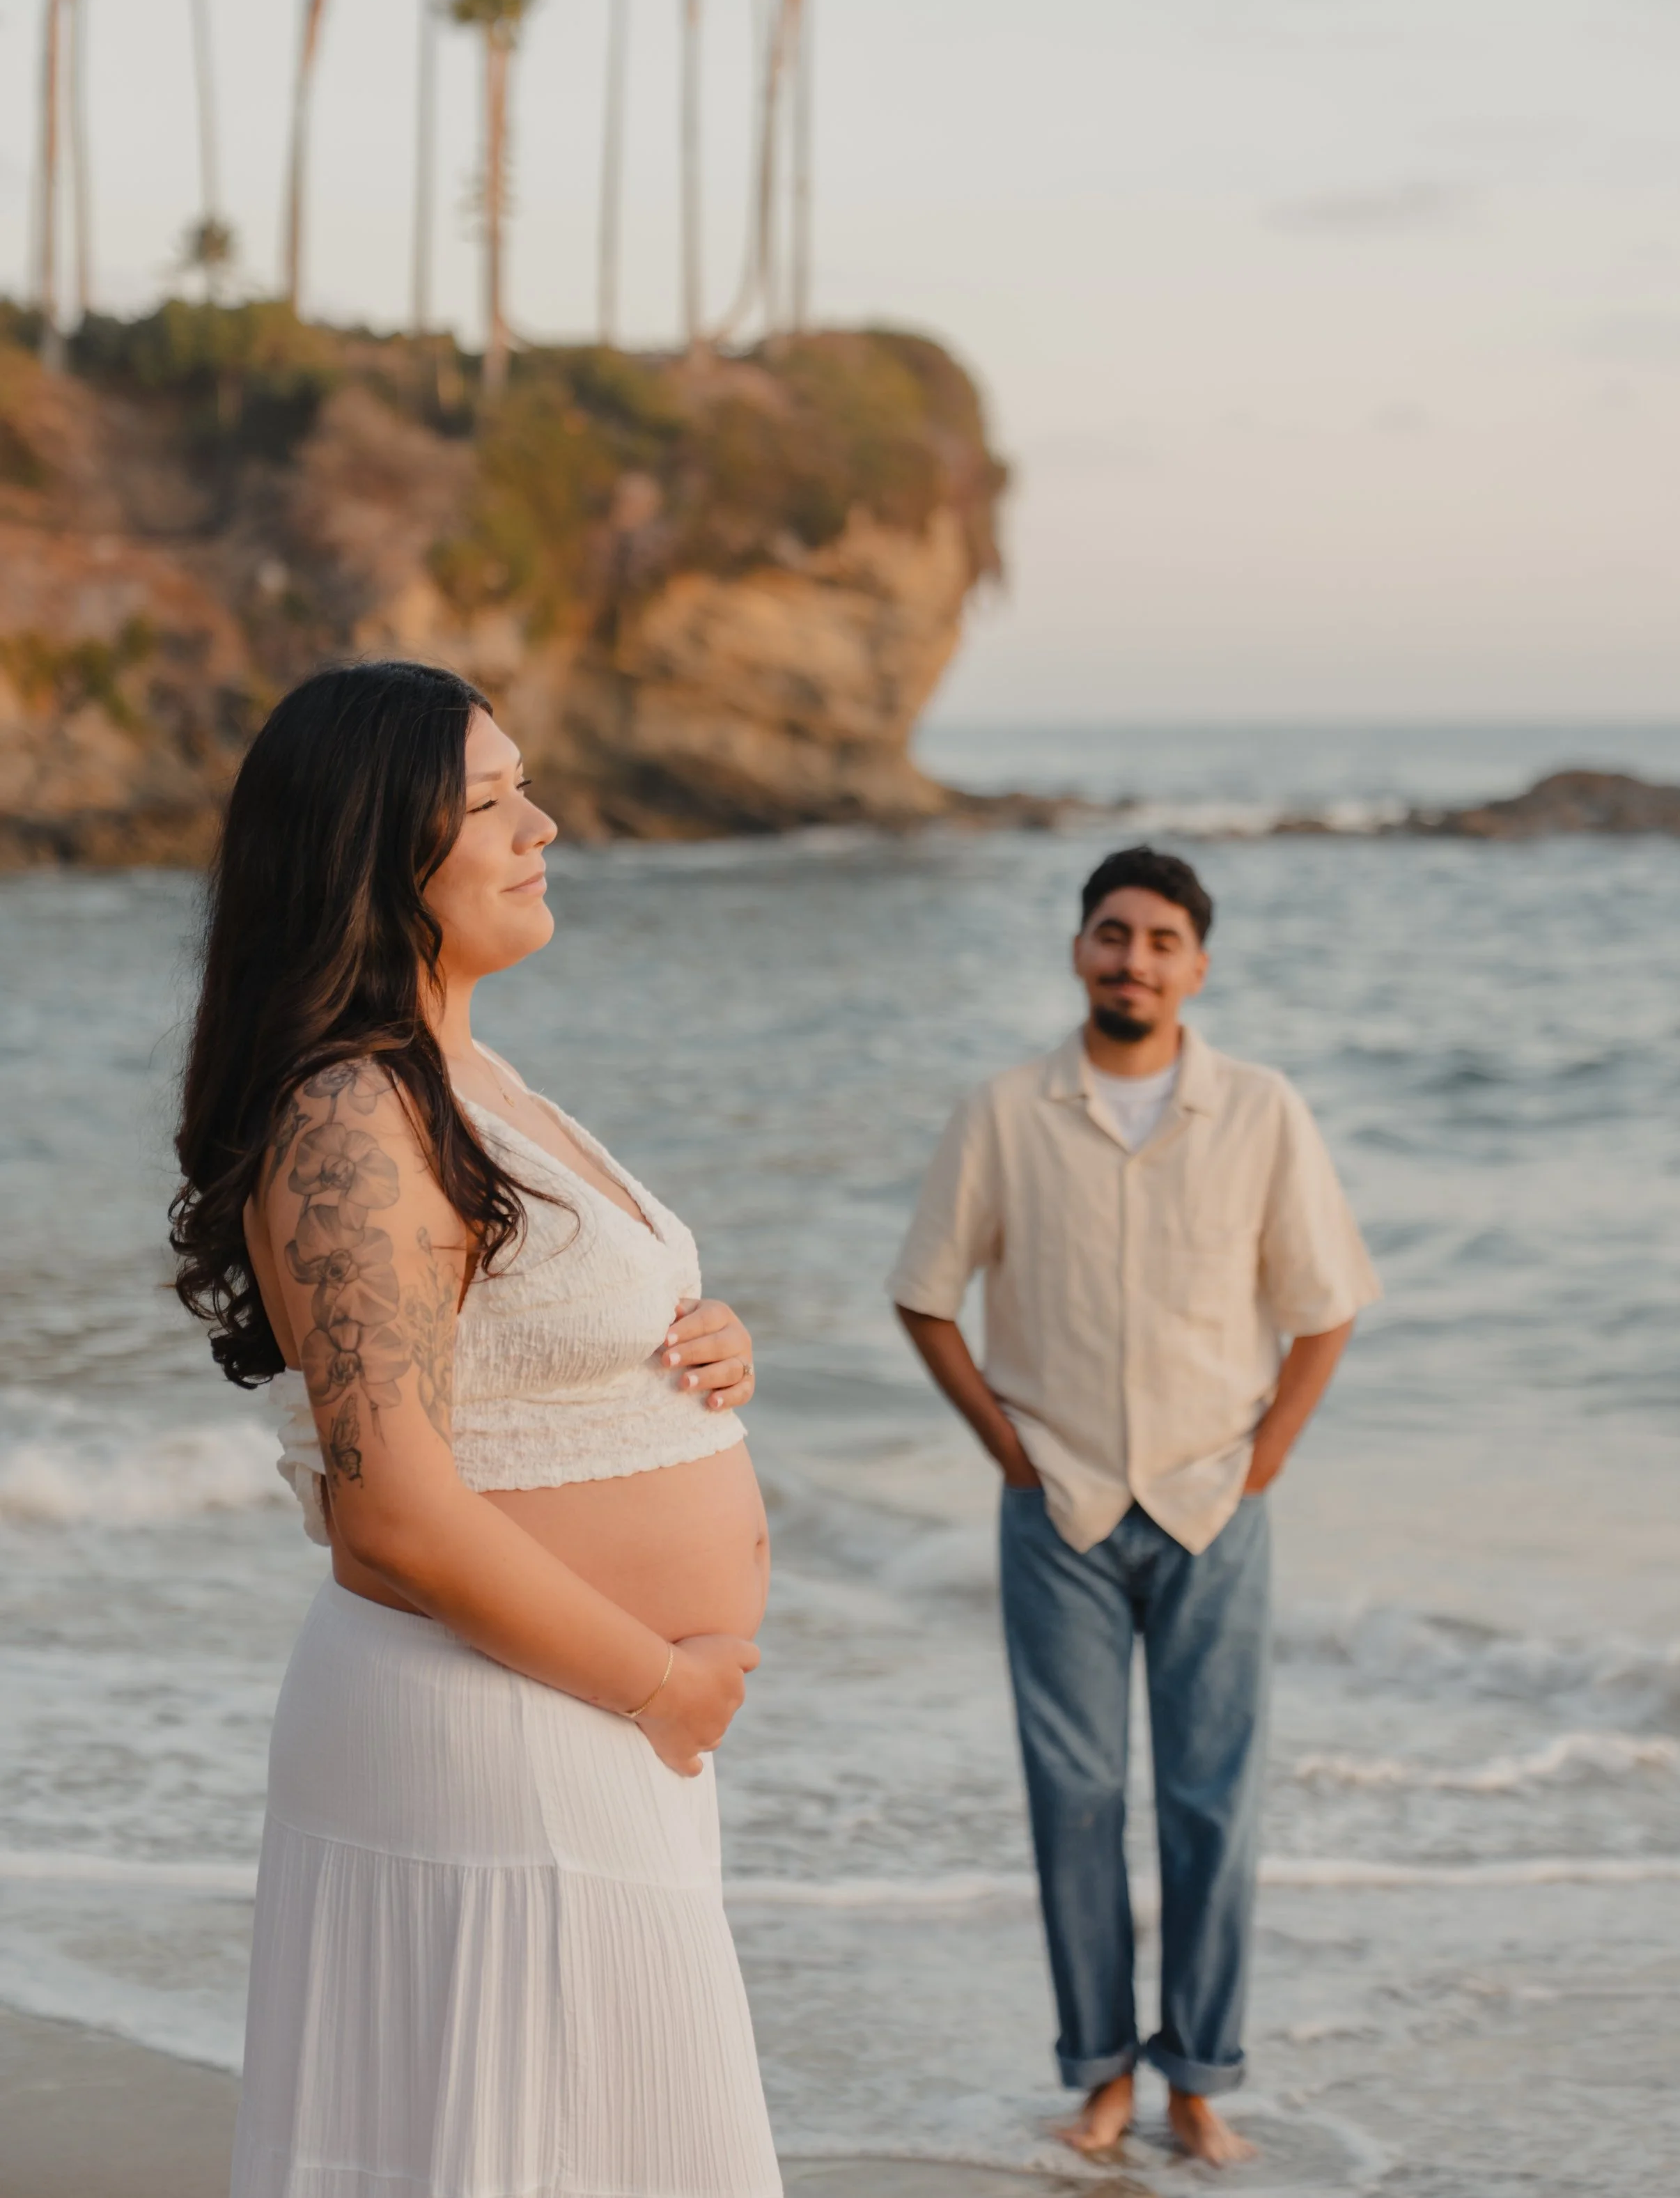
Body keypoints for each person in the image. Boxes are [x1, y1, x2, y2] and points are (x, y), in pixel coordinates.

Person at [171, 660, 781, 2198]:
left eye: (527, 789)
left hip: (561, 1722)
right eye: (494, 800)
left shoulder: (465, 1075)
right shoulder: (350, 1115)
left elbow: (513, 1333)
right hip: (507, 1730)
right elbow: (389, 1507)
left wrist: (687, 1344)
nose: (542, 825)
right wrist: (661, 1688)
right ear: (377, 851)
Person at [889, 845, 1379, 2169]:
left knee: (1213, 1802)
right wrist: (1008, 1451)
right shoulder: (1003, 1112)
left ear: (1197, 967)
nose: (1134, 960)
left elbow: (1327, 1304)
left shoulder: (1263, 1109)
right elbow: (926, 1293)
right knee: (1077, 1796)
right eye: (1113, 933)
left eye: (1162, 941)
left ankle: (1199, 2082)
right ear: (1078, 951)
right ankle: (1102, 2073)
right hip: (1060, 1509)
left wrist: (1270, 1454)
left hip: (1217, 1503)